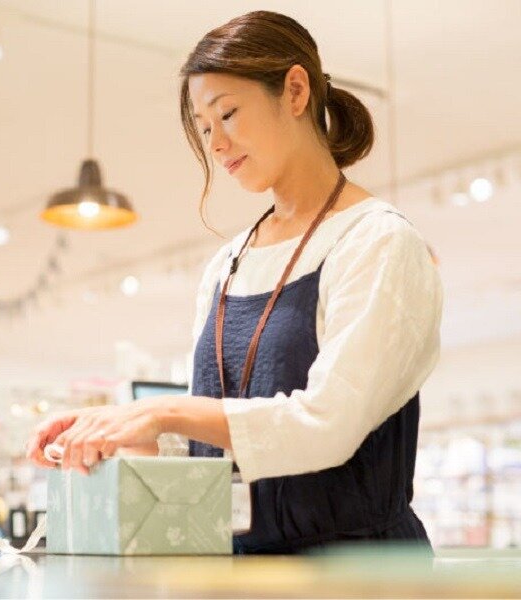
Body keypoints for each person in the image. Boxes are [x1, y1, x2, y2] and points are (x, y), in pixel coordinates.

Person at [26, 10, 442, 555]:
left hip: (359, 574)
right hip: (239, 567)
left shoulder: (378, 242)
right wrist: (124, 429)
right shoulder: (228, 261)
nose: (216, 144)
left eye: (228, 114)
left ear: (295, 91)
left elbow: (326, 423)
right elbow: (209, 443)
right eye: (204, 127)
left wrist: (158, 411)